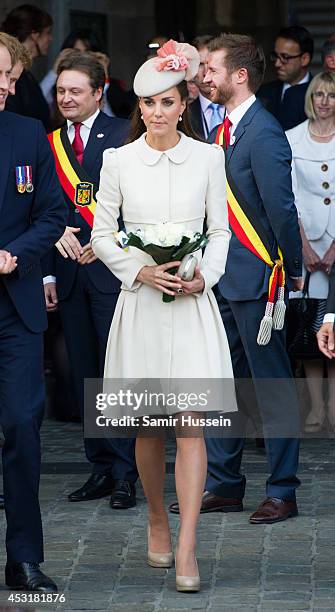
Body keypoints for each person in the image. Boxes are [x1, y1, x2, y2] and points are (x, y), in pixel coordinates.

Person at [91, 39, 235, 593]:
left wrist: (206, 276)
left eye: (168, 102)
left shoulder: (209, 157)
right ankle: (156, 517)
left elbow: (220, 229)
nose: (156, 112)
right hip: (143, 304)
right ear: (140, 109)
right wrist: (140, 271)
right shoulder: (117, 161)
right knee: (148, 426)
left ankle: (187, 545)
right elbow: (103, 234)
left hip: (193, 304)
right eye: (148, 104)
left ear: (184, 105)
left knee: (191, 424)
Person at [168, 33, 303, 524]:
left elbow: (281, 212)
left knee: (272, 387)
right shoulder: (226, 129)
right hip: (222, 280)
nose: (203, 75)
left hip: (259, 281)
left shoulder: (263, 133)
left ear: (239, 76)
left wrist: (290, 272)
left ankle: (283, 489)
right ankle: (225, 484)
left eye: (210, 68)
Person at [43, 51, 138, 508]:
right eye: (61, 91)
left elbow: (141, 208)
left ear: (99, 92)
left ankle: (126, 473)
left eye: (75, 91)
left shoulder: (124, 136)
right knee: (86, 376)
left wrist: (105, 243)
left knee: (116, 373)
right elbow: (39, 208)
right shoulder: (48, 143)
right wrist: (54, 236)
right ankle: (99, 467)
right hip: (68, 273)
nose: (66, 98)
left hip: (111, 274)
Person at [0, 32, 66, 591]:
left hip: (14, 309)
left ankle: (23, 558)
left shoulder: (27, 134)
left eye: (12, 77)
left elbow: (53, 213)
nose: (7, 86)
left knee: (22, 427)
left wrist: (15, 255)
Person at [286, 72, 335, 432]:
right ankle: (316, 406)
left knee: (333, 323)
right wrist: (300, 243)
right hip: (305, 245)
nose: (323, 101)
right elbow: (288, 198)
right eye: (318, 94)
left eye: (331, 95)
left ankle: (334, 403)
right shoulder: (291, 139)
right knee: (308, 326)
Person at [2, 4, 53, 130]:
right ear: (35, 35)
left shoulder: (27, 77)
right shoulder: (19, 80)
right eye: (47, 33)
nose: (50, 39)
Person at [257, 26, 313, 130]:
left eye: (285, 57)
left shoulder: (319, 94)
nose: (277, 63)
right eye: (275, 56)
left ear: (304, 59)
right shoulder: (263, 93)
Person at [188, 35, 225, 139]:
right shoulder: (184, 115)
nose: (205, 73)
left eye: (211, 65)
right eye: (200, 65)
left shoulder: (238, 108)